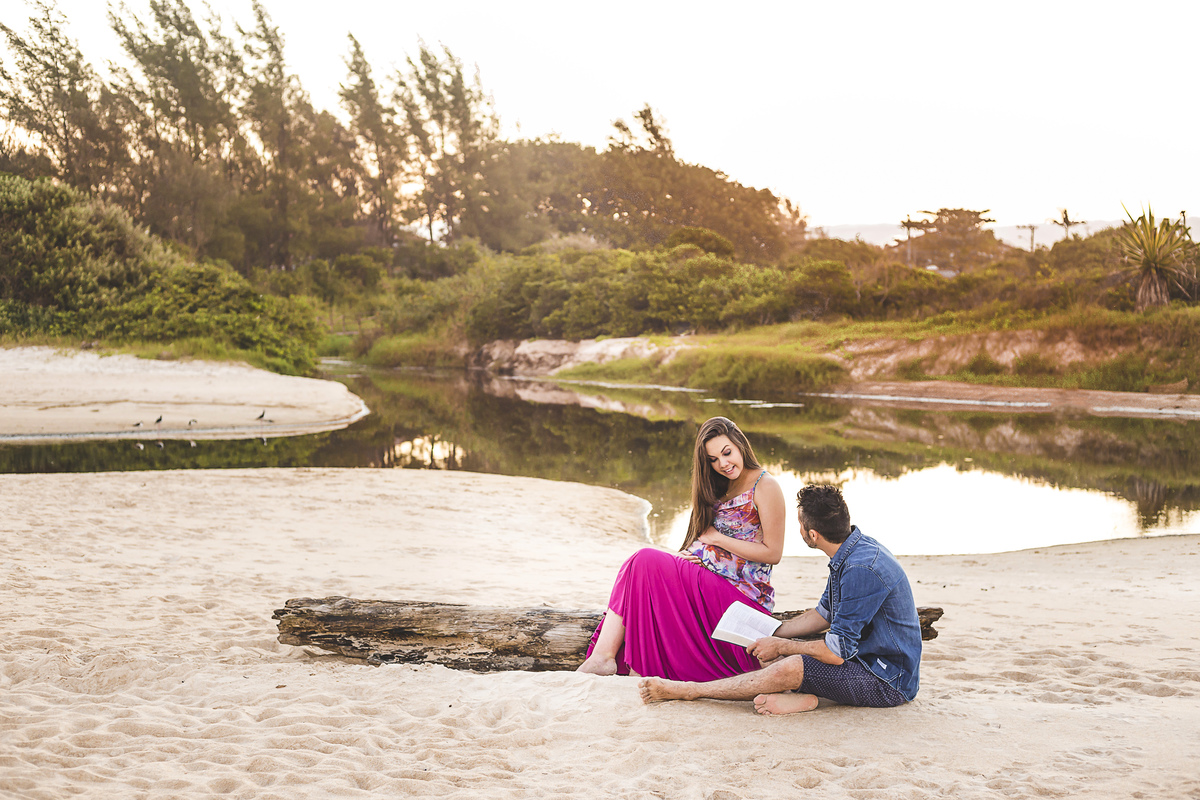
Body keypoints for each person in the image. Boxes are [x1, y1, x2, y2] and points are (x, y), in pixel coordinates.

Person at [637, 484, 922, 715]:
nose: (797, 529)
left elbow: (836, 652)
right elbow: (823, 614)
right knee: (779, 657)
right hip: (864, 659)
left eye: (799, 524)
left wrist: (782, 647)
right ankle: (804, 698)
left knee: (790, 665)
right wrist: (772, 631)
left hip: (887, 680)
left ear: (813, 534)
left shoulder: (861, 568)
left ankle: (690, 690)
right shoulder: (852, 549)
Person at [576, 416, 786, 681]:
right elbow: (706, 541)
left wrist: (716, 540)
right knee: (638, 566)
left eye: (727, 453)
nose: (723, 464)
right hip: (710, 586)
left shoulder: (765, 486)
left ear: (740, 444)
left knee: (643, 559)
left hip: (741, 599)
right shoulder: (719, 486)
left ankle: (608, 658)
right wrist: (691, 556)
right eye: (713, 460)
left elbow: (773, 553)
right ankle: (607, 658)